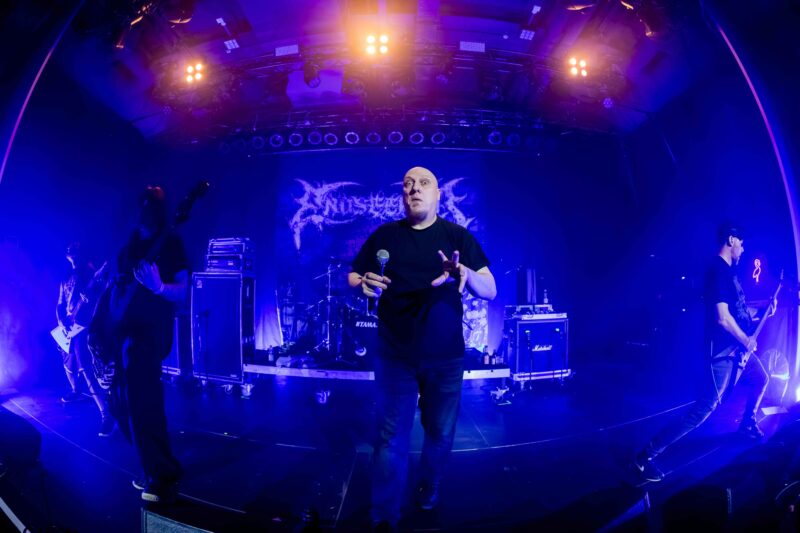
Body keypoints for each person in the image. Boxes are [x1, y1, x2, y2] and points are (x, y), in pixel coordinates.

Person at [348, 166, 497, 528]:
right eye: (408, 184)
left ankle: (429, 485)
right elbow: (353, 274)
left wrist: (466, 274)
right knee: (389, 440)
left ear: (438, 194)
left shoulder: (457, 237)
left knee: (440, 434)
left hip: (446, 359)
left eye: (423, 183)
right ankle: (385, 517)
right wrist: (360, 282)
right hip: (394, 355)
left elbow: (490, 289)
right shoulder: (385, 235)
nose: (414, 188)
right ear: (403, 195)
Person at [632, 223, 774, 482]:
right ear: (731, 240)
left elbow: (739, 312)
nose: (743, 249)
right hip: (722, 353)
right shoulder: (717, 271)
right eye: (741, 243)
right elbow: (722, 317)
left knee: (761, 377)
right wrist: (746, 340)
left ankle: (747, 423)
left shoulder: (728, 273)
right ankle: (645, 457)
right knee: (703, 409)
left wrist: (765, 309)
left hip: (736, 351)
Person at [107, 186, 189, 502]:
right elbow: (117, 290)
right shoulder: (127, 247)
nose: (145, 209)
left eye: (151, 204)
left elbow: (182, 292)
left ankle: (162, 474)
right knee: (120, 404)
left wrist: (158, 287)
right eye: (142, 203)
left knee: (144, 403)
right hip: (122, 333)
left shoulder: (171, 243)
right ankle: (153, 464)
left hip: (149, 334)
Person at [56, 241, 114, 437]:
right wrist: (61, 320)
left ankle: (106, 414)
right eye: (69, 249)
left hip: (84, 326)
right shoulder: (65, 276)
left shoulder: (90, 271)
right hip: (68, 327)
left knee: (86, 368)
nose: (71, 252)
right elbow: (60, 303)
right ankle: (76, 391)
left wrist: (92, 298)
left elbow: (104, 290)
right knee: (68, 363)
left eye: (74, 249)